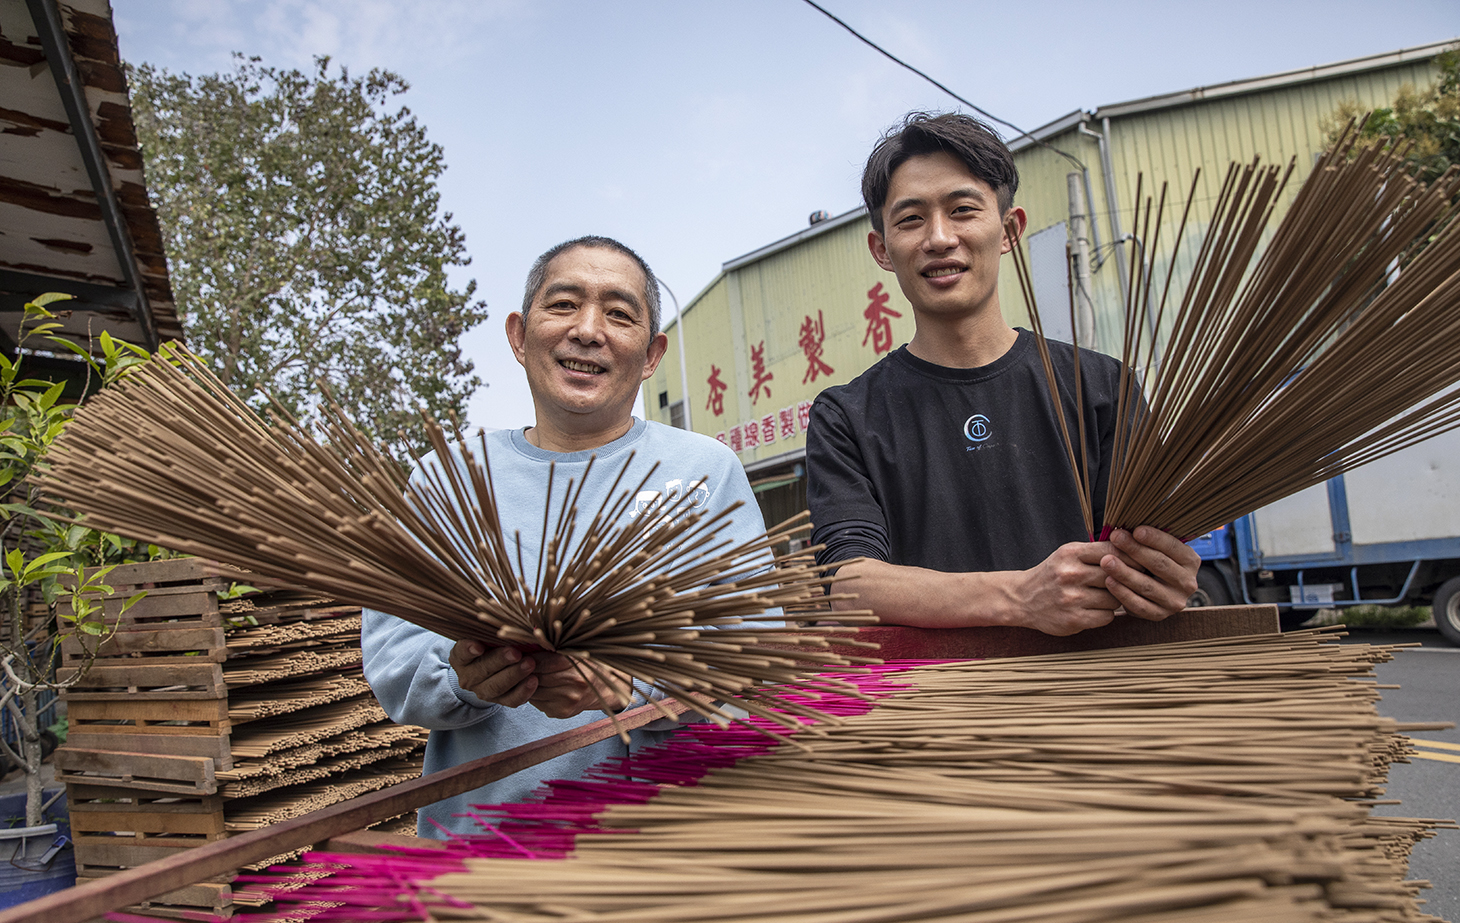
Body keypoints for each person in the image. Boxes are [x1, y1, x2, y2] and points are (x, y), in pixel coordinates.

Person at [363, 236, 764, 838]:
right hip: (488, 847)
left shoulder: (704, 471)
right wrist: (463, 675)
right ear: (519, 335)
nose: (588, 330)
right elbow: (394, 663)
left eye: (619, 314)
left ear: (653, 353)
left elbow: (757, 664)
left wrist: (632, 684)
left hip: (678, 848)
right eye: (564, 305)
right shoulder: (449, 479)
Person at [807, 112, 1199, 635]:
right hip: (928, 706)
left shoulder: (1104, 388)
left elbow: (1147, 550)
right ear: (882, 249)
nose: (940, 238)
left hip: (1097, 694)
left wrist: (1164, 577)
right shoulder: (847, 416)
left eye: (963, 210)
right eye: (910, 220)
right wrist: (1020, 598)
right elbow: (849, 585)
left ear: (1010, 229)